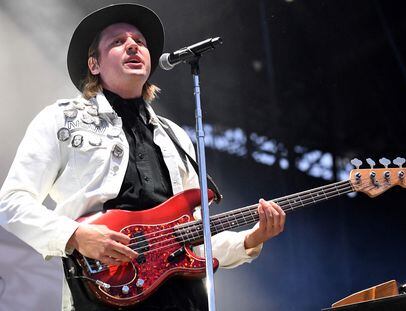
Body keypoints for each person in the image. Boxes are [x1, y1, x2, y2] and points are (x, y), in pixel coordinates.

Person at [0, 3, 286, 311]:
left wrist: (251, 239)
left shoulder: (175, 136)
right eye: (118, 42)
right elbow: (12, 202)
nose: (133, 46)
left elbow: (196, 238)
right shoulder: (62, 120)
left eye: (140, 42)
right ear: (94, 64)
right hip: (103, 295)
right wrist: (76, 235)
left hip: (185, 299)